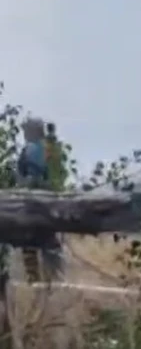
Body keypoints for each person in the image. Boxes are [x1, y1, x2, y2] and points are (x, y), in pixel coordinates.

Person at [17, 117, 64, 283]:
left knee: (29, 241)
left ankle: (35, 281)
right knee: (48, 241)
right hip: (51, 201)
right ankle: (52, 280)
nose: (24, 133)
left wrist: (24, 190)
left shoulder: (31, 149)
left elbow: (30, 177)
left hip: (33, 201)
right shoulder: (51, 148)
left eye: (26, 130)